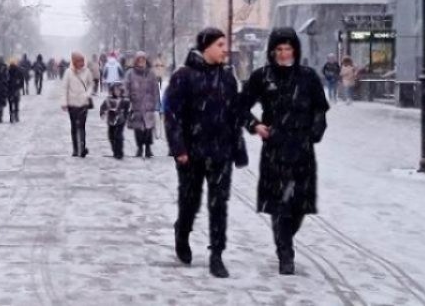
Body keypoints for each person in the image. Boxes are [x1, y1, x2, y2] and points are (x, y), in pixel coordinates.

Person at [239, 28, 330, 276]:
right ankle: (285, 253)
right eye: (278, 49)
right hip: (275, 150)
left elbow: (320, 109)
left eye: (288, 49)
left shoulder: (308, 77)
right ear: (272, 51)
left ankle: (285, 236)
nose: (283, 54)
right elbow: (240, 106)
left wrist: (315, 131)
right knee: (280, 205)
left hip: (302, 150)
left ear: (295, 50)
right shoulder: (262, 77)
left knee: (299, 206)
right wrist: (255, 125)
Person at [164, 28, 242, 279]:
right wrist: (179, 148)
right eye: (220, 45)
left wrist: (241, 141)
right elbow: (172, 115)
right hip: (192, 153)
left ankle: (216, 254)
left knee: (219, 204)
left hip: (221, 153)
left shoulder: (227, 77)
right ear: (206, 47)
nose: (224, 49)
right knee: (191, 201)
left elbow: (235, 113)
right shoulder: (183, 76)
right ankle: (182, 232)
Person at [124, 51, 160, 158]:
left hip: (149, 104)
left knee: (149, 128)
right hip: (136, 104)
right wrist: (127, 99)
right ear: (136, 61)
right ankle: (139, 147)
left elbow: (155, 89)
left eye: (143, 60)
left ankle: (148, 148)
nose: (141, 62)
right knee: (138, 129)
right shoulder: (130, 73)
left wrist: (156, 103)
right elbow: (126, 87)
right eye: (139, 60)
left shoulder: (151, 73)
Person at [61, 52, 95, 157]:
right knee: (74, 126)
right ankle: (75, 149)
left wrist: (87, 94)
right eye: (79, 61)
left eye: (82, 60)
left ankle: (82, 148)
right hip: (72, 104)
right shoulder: (68, 72)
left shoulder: (87, 71)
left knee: (82, 126)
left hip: (84, 103)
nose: (81, 63)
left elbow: (91, 84)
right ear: (74, 61)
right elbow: (64, 88)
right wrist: (64, 102)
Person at [99, 83, 132, 159]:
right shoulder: (108, 100)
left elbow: (128, 110)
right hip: (111, 120)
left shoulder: (125, 100)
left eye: (119, 90)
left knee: (118, 135)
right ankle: (115, 150)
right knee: (111, 136)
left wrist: (127, 117)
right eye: (115, 90)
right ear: (112, 90)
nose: (117, 92)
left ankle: (119, 152)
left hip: (120, 120)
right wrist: (102, 114)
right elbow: (103, 107)